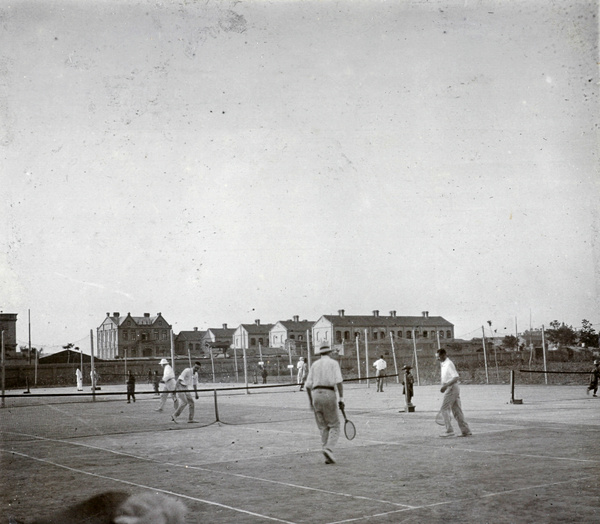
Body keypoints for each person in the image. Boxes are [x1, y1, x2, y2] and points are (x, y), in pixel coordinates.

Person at [305, 341, 344, 464]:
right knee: (335, 425)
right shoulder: (333, 363)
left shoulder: (314, 364)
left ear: (320, 353)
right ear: (330, 352)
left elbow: (307, 386)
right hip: (329, 393)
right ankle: (329, 448)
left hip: (316, 394)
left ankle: (326, 452)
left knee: (323, 427)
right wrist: (341, 399)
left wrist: (311, 402)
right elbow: (339, 381)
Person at [436, 348, 472, 438]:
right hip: (453, 388)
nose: (437, 359)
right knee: (457, 411)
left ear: (444, 355)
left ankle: (449, 431)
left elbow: (455, 377)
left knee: (444, 409)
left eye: (438, 357)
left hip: (451, 388)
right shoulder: (444, 364)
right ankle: (466, 431)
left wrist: (445, 386)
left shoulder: (448, 364)